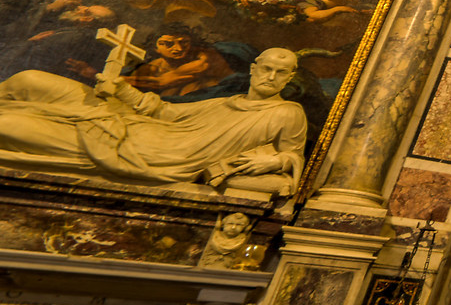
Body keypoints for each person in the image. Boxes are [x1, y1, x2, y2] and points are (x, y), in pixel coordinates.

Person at [0, 47, 307, 194]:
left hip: (155, 156)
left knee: (10, 126)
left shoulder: (288, 113)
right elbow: (165, 112)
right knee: (31, 80)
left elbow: (292, 157)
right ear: (253, 69)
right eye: (266, 69)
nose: (271, 77)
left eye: (281, 73)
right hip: (143, 126)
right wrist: (122, 89)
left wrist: (275, 163)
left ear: (290, 77)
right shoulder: (225, 103)